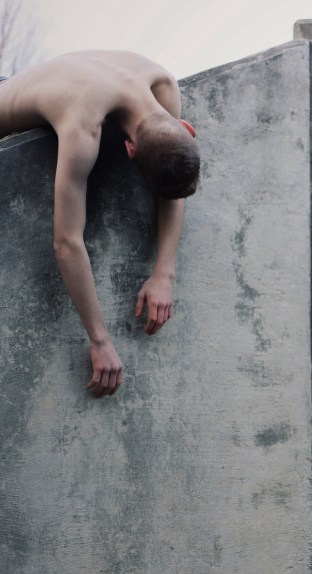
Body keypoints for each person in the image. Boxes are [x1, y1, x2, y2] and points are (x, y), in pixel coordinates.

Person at [0, 50, 200, 398]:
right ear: (130, 151)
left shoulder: (164, 84)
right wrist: (100, 340)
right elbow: (66, 242)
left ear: (186, 127)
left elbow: (171, 175)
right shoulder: (82, 126)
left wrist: (164, 273)